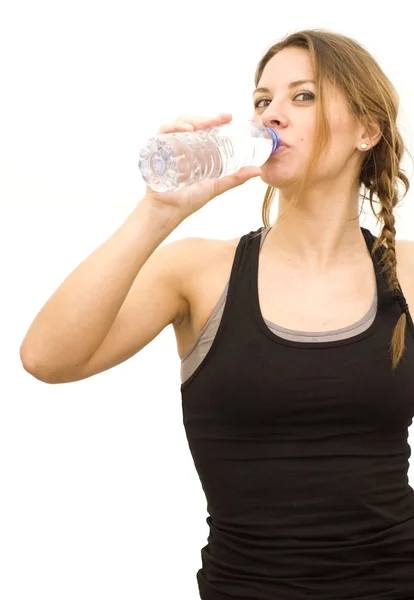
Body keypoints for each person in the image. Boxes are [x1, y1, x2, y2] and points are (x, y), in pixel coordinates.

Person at [20, 29, 414, 599]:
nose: (272, 114)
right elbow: (46, 358)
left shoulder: (405, 273)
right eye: (262, 100)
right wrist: (157, 210)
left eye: (302, 96)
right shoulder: (200, 273)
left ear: (367, 130)